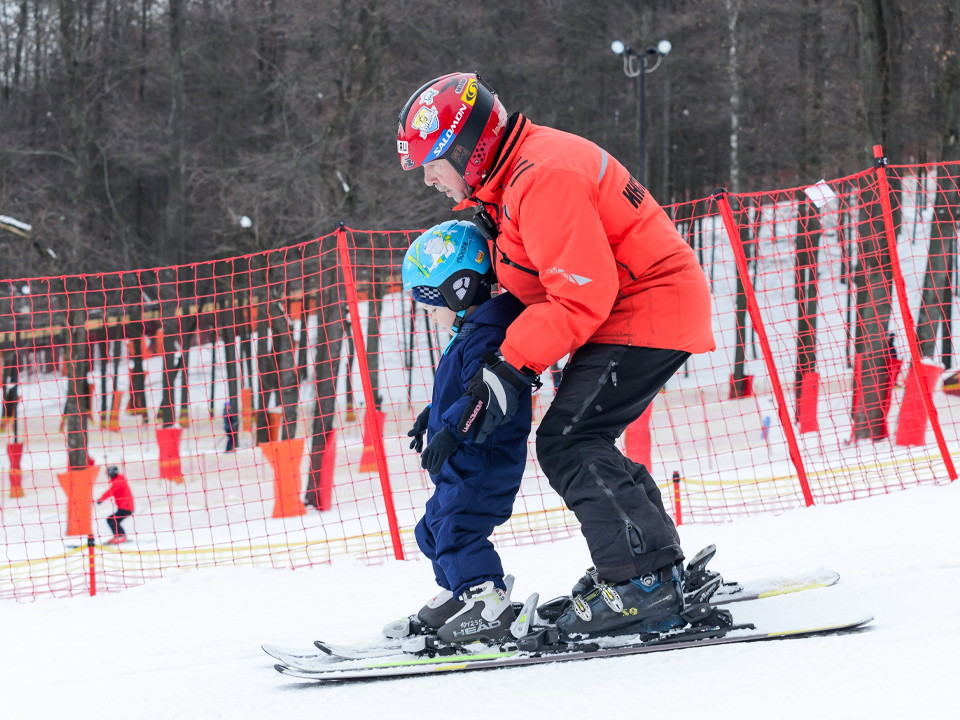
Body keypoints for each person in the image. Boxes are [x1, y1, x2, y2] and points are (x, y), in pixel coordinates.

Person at [397, 73, 716, 640]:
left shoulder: (540, 176)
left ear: (466, 149)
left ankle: (641, 580)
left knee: (570, 441)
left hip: (647, 306)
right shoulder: (514, 179)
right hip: (632, 306)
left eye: (431, 161)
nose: (428, 178)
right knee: (579, 437)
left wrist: (506, 372)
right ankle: (653, 565)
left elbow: (578, 293)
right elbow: (535, 292)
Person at [401, 219, 532, 645]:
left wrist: (451, 431)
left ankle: (486, 601)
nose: (431, 314)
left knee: (457, 528)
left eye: (431, 304)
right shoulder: (473, 332)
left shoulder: (490, 335)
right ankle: (464, 594)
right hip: (463, 460)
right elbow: (462, 388)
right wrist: (430, 417)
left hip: (483, 460)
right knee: (432, 529)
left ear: (459, 289)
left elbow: (486, 394)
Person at [97, 466, 134, 544]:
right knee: (112, 520)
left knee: (113, 520)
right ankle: (120, 536)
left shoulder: (118, 481)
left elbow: (110, 492)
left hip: (126, 507)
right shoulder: (119, 480)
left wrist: (101, 499)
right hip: (125, 506)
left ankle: (120, 537)